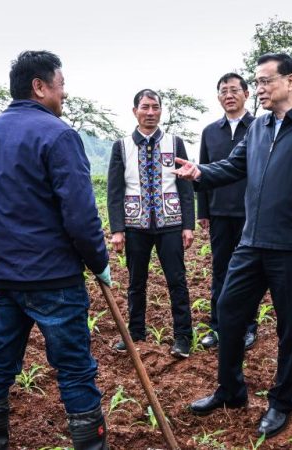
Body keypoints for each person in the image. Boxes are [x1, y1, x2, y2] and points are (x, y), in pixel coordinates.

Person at [175, 53, 292, 438]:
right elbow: (235, 167)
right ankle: (230, 390)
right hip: (251, 241)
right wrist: (198, 172)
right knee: (228, 311)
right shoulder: (259, 127)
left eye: (266, 81)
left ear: (290, 81)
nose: (260, 90)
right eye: (259, 82)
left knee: (289, 329)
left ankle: (282, 401)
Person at [0, 51, 111, 450]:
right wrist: (99, 261)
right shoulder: (58, 135)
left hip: (2, 277)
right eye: (61, 86)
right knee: (76, 371)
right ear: (40, 86)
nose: (64, 95)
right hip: (53, 278)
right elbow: (80, 216)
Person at [106, 89, 195, 358]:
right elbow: (115, 190)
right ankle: (135, 334)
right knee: (136, 282)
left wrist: (188, 225)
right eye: (145, 107)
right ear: (135, 111)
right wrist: (117, 229)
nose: (150, 113)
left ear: (160, 110)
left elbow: (185, 187)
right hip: (135, 225)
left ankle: (182, 338)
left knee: (177, 281)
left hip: (171, 223)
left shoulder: (174, 142)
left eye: (155, 107)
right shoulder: (121, 146)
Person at [197, 73, 258, 351]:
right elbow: (203, 172)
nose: (229, 95)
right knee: (220, 271)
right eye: (224, 91)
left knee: (249, 274)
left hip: (251, 214)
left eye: (235, 90)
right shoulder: (210, 131)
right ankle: (217, 328)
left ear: (247, 94)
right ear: (218, 96)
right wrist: (203, 212)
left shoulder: (260, 127)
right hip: (220, 213)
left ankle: (248, 328)